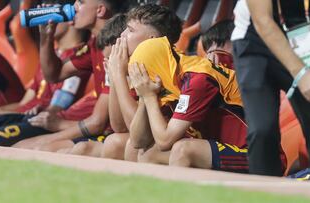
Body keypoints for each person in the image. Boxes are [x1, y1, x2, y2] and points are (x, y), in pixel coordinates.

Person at [105, 4, 248, 172]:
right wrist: (143, 94)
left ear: (152, 41)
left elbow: (163, 139)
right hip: (215, 146)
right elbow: (137, 140)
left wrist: (131, 85)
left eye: (129, 30)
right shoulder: (162, 73)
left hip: (253, 153)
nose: (121, 36)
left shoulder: (197, 77)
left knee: (182, 150)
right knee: (142, 151)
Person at [231, 0, 310, 181]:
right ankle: (264, 196)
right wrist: (302, 73)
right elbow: (263, 21)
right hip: (255, 43)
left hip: (301, 37)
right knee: (262, 130)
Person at [13, 0, 128, 150]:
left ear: (100, 10)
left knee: (34, 147)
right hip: (99, 130)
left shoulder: (116, 46)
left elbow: (98, 123)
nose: (74, 7)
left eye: (81, 2)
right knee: (24, 145)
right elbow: (54, 75)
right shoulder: (94, 44)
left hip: (112, 135)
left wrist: (55, 128)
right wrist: (46, 37)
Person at [0, 22, 90, 146]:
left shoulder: (79, 57)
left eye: (51, 15)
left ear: (69, 20)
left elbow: (56, 109)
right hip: (18, 116)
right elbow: (23, 103)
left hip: (38, 121)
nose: (46, 21)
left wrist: (1, 113)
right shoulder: (51, 56)